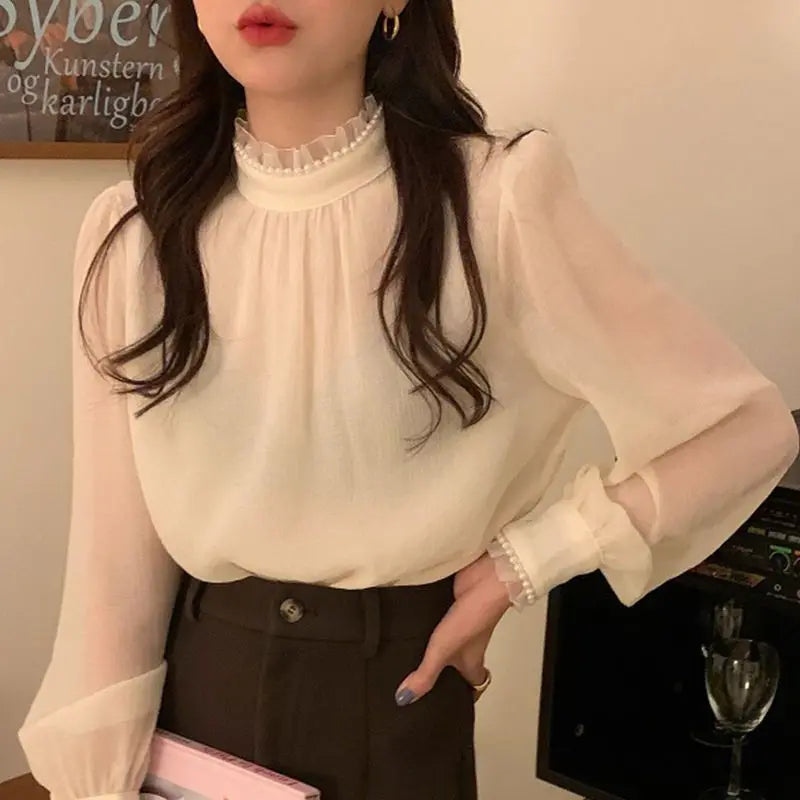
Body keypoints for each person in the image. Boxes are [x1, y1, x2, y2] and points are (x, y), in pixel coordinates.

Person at [15, 0, 799, 798]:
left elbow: (743, 426)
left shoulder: (496, 201)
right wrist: (95, 781)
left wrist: (529, 562)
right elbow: (114, 561)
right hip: (197, 701)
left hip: (394, 698)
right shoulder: (137, 231)